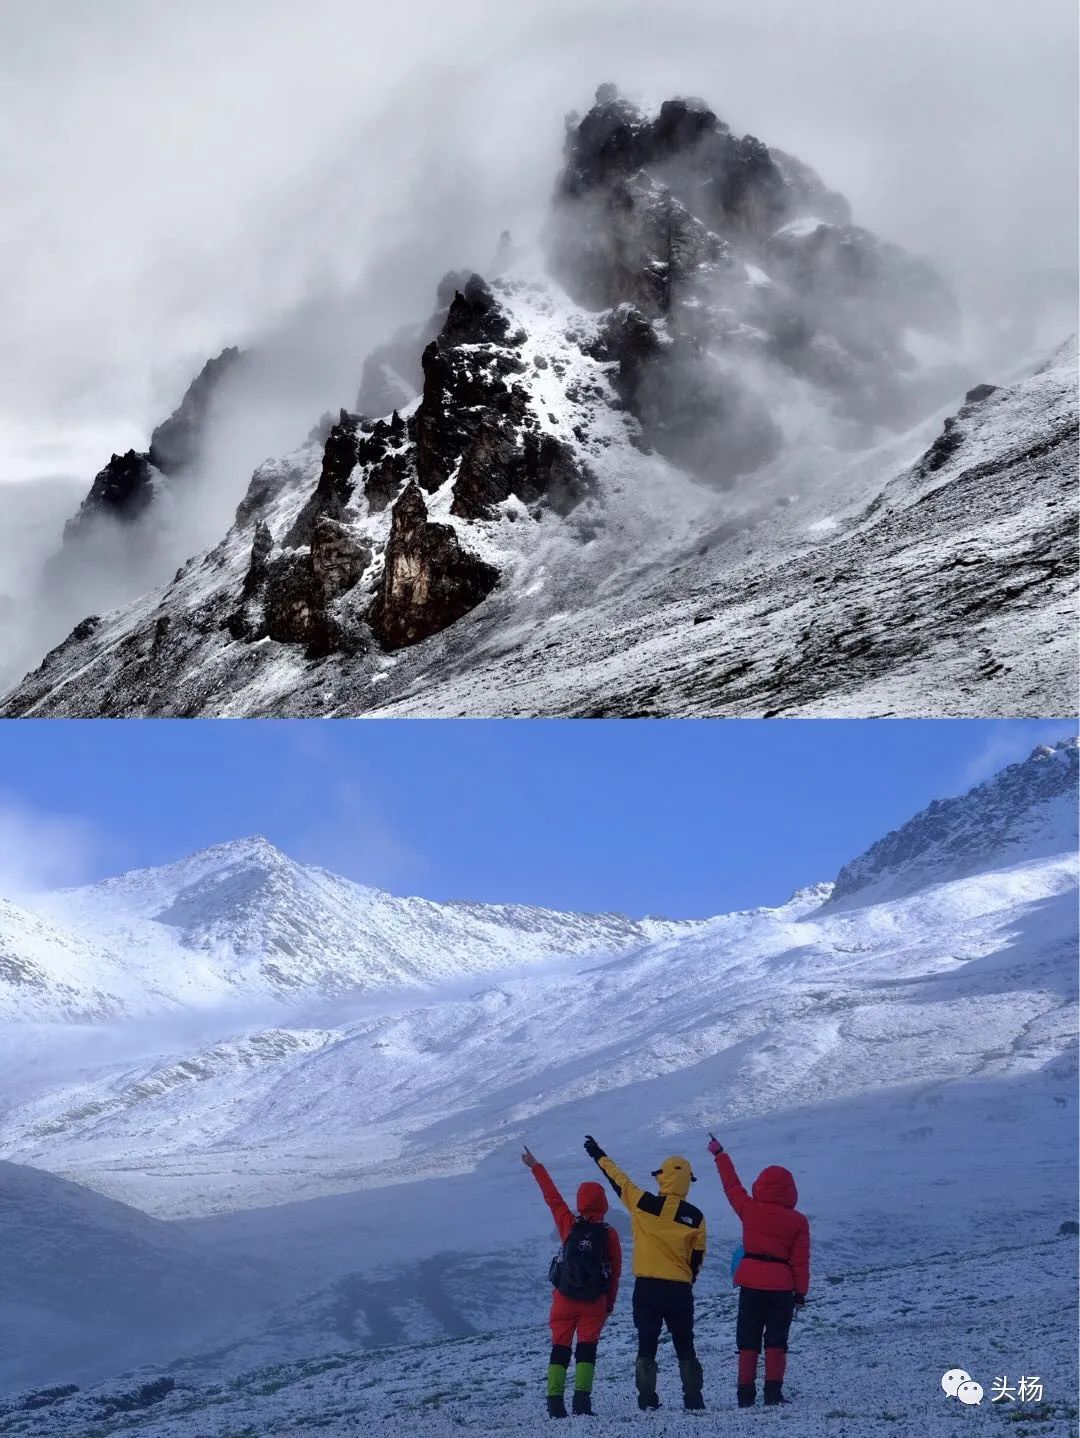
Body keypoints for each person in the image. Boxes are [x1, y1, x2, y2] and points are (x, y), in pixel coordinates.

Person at [583, 1134, 706, 1412]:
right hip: (679, 1290)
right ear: (687, 1181)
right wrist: (687, 1279)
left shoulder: (642, 1203)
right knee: (685, 1344)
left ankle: (647, 1400)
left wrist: (597, 1153)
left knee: (647, 1344)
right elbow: (697, 1257)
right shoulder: (696, 1217)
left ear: (661, 1177)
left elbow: (618, 1179)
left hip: (647, 1288)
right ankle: (693, 1399)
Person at [707, 1136, 810, 1408]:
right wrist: (800, 1294)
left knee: (748, 1342)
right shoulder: (798, 1221)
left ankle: (745, 1396)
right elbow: (800, 1261)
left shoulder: (749, 1209)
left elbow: (731, 1185)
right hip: (781, 1288)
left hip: (751, 1285)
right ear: (790, 1190)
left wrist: (719, 1154)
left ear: (761, 1187)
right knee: (777, 1342)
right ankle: (773, 1394)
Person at [522, 1145, 622, 1418]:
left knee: (560, 1349)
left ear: (580, 1202)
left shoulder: (569, 1224)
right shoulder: (609, 1234)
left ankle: (555, 1402)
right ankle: (582, 1402)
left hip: (564, 1299)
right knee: (587, 1350)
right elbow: (614, 1273)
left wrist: (536, 1166)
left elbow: (552, 1197)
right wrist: (608, 1304)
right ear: (604, 1203)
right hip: (594, 1302)